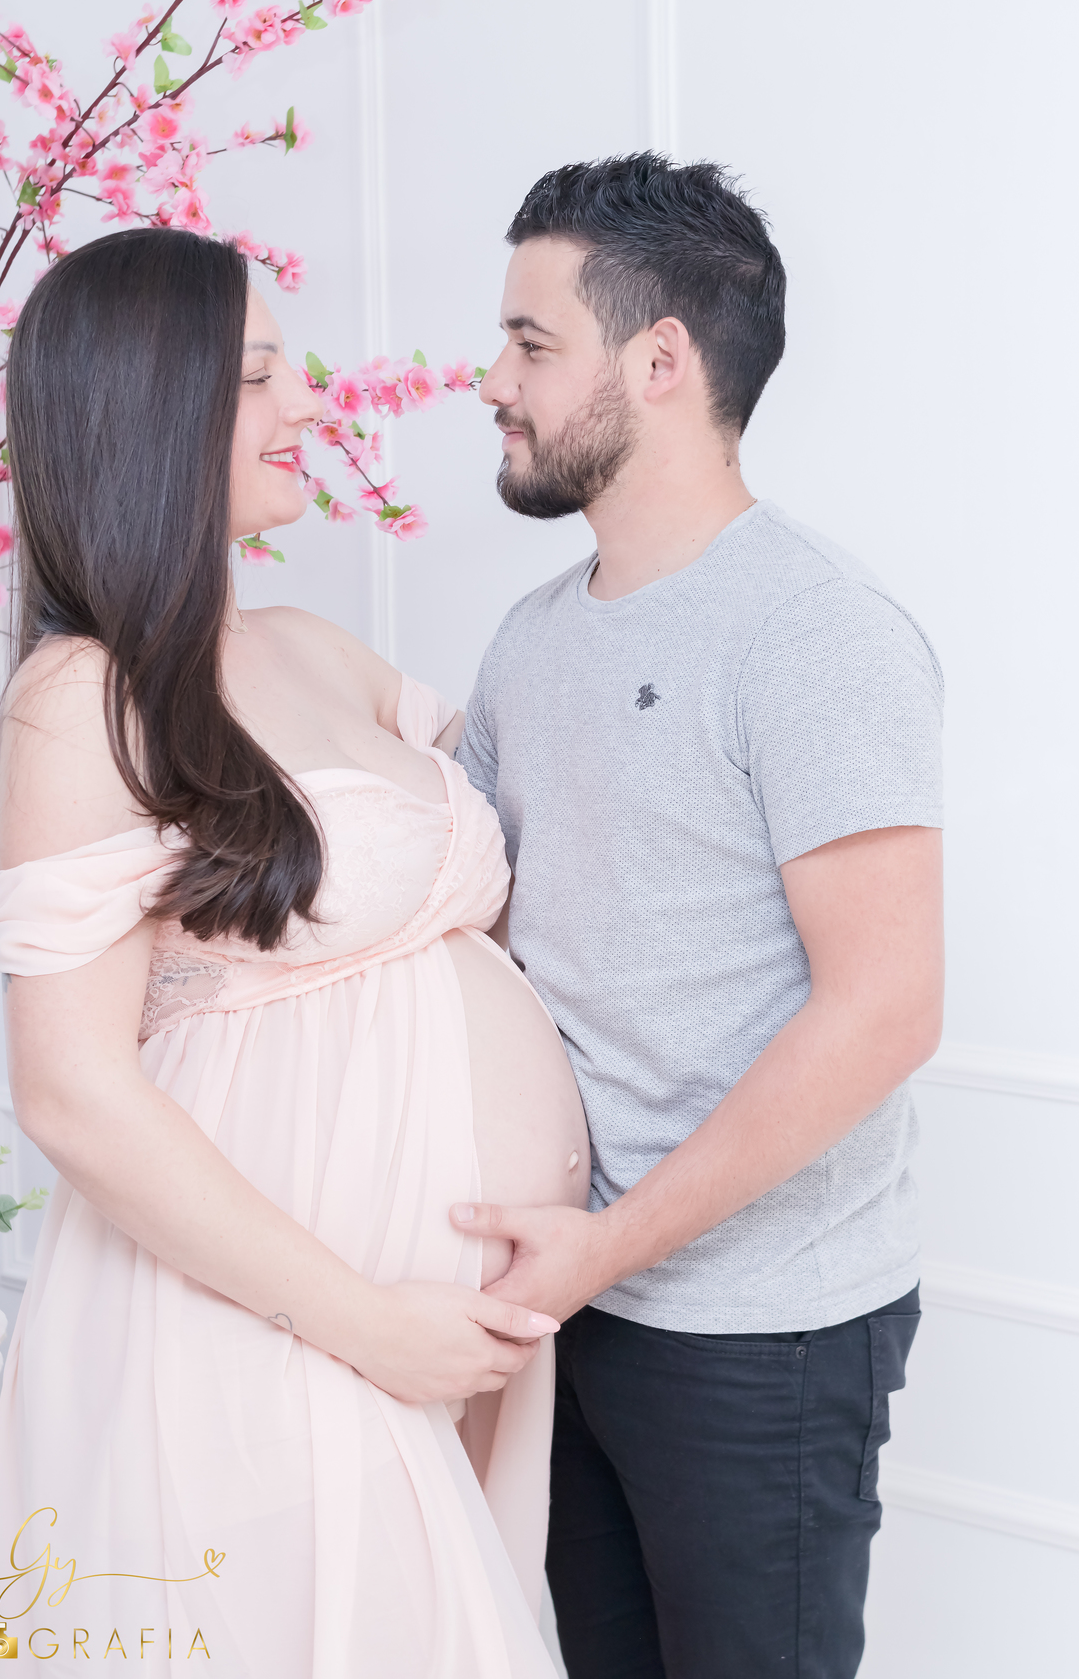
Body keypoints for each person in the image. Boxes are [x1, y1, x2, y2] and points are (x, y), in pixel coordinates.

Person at [0, 225, 589, 1677]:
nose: (309, 404)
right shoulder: (84, 700)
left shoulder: (316, 647)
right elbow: (70, 1091)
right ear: (152, 410)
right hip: (275, 1334)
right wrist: (372, 1326)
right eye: (259, 375)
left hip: (457, 1330)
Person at [453, 155, 945, 1679]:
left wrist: (607, 1249)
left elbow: (885, 1010)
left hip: (761, 1334)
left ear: (658, 361)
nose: (491, 381)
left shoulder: (812, 631)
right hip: (569, 1304)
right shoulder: (528, 644)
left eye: (532, 344)